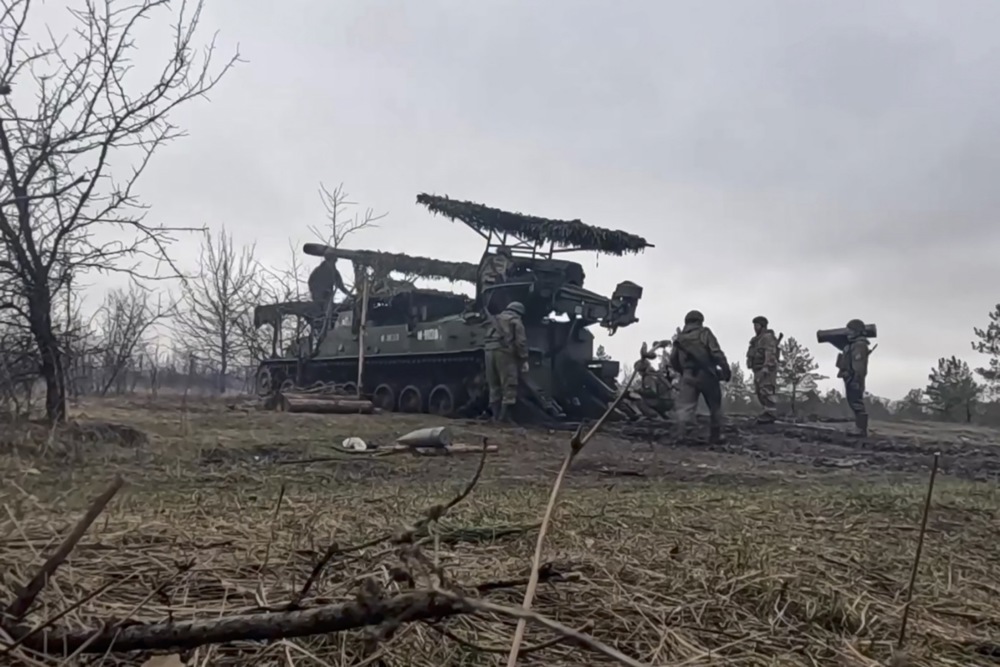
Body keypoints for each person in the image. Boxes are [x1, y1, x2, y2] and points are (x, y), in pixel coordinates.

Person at [669, 310, 731, 444]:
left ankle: (683, 436)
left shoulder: (680, 338)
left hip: (688, 375)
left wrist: (684, 372)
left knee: (685, 407)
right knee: (714, 406)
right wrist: (726, 370)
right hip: (706, 374)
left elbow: (673, 359)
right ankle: (716, 436)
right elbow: (716, 353)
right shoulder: (704, 333)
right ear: (700, 321)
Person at [484, 301, 528, 423]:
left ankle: (495, 416)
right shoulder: (515, 321)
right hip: (504, 353)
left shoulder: (494, 319)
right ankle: (504, 418)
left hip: (488, 352)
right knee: (509, 384)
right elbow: (521, 342)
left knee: (494, 385)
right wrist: (524, 359)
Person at [836, 319, 871, 437]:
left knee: (856, 402)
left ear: (857, 331)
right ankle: (859, 428)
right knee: (853, 401)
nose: (848, 332)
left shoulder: (859, 345)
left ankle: (861, 429)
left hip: (854, 378)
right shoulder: (853, 344)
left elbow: (859, 365)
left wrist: (856, 379)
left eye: (850, 330)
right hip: (851, 377)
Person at [745, 315, 779, 424]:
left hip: (766, 368)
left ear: (762, 326)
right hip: (757, 369)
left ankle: (770, 413)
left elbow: (770, 353)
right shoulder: (756, 340)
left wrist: (766, 367)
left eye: (757, 325)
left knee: (767, 390)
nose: (755, 328)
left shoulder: (767, 338)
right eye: (754, 325)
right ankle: (766, 412)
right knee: (760, 391)